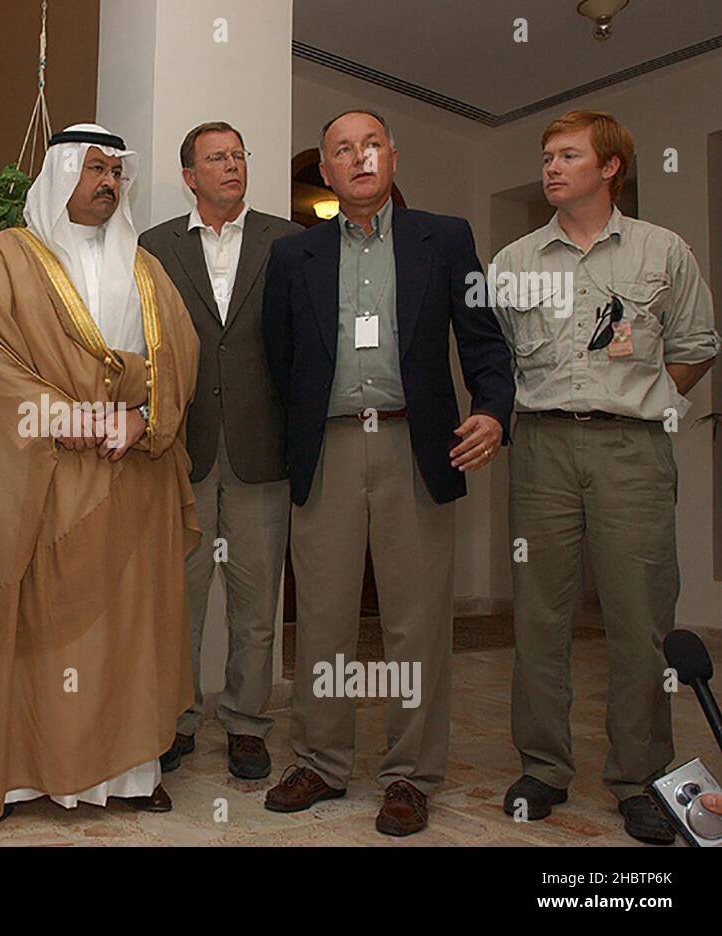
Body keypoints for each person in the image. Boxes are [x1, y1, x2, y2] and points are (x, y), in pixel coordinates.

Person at [261, 110, 514, 836]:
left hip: (416, 446)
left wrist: (494, 411)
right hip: (331, 448)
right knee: (322, 619)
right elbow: (281, 360)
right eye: (342, 150)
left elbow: (483, 341)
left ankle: (410, 776)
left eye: (371, 145)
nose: (359, 157)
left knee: (417, 622)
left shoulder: (447, 238)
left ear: (393, 157)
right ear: (329, 170)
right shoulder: (293, 256)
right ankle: (320, 761)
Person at [0, 124, 200, 824]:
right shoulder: (6, 260)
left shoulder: (146, 269)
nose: (108, 182)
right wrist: (66, 417)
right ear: (58, 177)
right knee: (44, 630)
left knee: (131, 635)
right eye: (92, 168)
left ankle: (130, 774)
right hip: (45, 482)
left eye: (116, 170)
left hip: (131, 480)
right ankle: (30, 778)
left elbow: (180, 355)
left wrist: (144, 418)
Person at [492, 110, 718, 845]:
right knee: (540, 615)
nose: (551, 167)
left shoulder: (664, 252)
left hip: (633, 453)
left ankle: (639, 778)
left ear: (610, 166)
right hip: (543, 451)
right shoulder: (514, 261)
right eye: (547, 156)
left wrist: (643, 403)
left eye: (568, 156)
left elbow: (694, 346)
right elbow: (495, 363)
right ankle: (543, 770)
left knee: (638, 621)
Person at [139, 121, 300, 780]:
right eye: (217, 157)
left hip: (264, 448)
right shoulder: (153, 247)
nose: (232, 165)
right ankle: (174, 720)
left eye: (239, 154)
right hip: (183, 450)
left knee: (257, 602)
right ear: (189, 175)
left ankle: (245, 722)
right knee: (178, 597)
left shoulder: (287, 241)